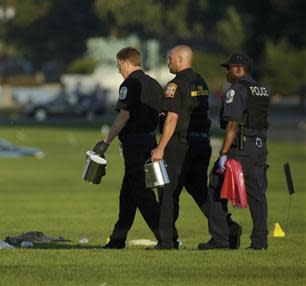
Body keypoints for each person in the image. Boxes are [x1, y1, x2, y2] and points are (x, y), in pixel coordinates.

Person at [151, 45, 230, 250]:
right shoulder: (200, 82)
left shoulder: (175, 85)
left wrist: (160, 148)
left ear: (179, 59)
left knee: (168, 192)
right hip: (202, 143)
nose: (168, 62)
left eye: (170, 58)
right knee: (200, 191)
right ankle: (224, 234)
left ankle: (167, 241)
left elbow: (172, 118)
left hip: (180, 144)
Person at [92, 47, 163, 249]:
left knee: (142, 193)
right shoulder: (155, 84)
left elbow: (124, 115)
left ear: (125, 62)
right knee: (128, 195)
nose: (118, 70)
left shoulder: (130, 84)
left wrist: (105, 142)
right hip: (150, 142)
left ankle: (166, 237)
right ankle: (117, 239)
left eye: (118, 65)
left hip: (135, 144)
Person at [207, 53, 270, 250]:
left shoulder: (237, 89)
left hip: (240, 149)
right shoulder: (261, 89)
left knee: (214, 187)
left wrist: (223, 154)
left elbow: (233, 124)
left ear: (238, 69)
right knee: (257, 195)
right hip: (259, 147)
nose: (226, 72)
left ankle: (222, 238)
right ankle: (260, 242)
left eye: (228, 68)